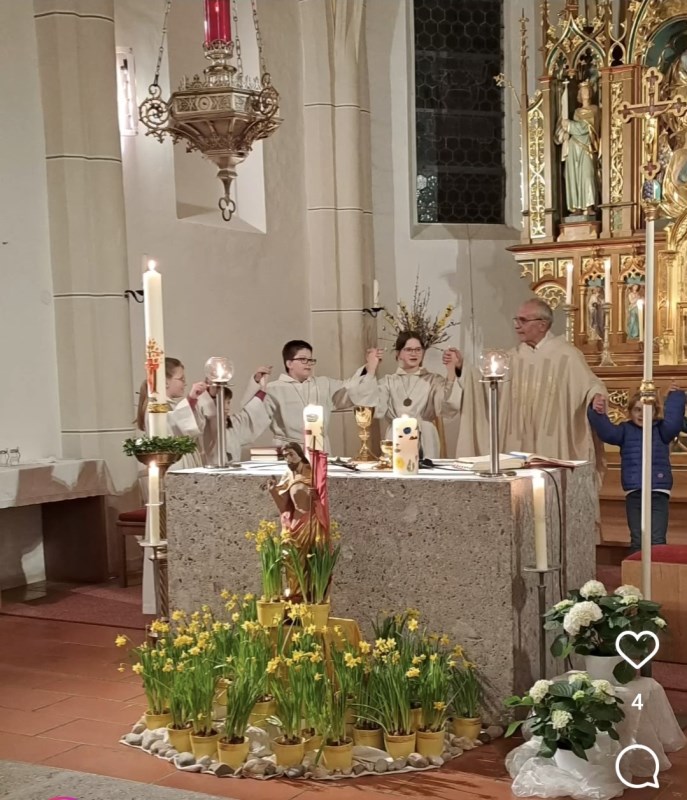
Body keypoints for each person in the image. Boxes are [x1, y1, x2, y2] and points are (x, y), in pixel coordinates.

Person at [457, 298, 608, 474]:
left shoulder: (567, 356)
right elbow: (485, 386)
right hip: (516, 439)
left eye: (523, 320)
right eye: (516, 320)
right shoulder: (512, 358)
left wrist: (596, 396)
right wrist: (463, 367)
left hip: (552, 440)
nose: (517, 325)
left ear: (542, 325)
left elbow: (590, 384)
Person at [587, 385, 686, 553]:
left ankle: (656, 575)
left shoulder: (662, 430)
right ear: (630, 412)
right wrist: (596, 410)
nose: (642, 415)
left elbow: (674, 422)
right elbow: (607, 432)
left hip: (657, 490)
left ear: (655, 412)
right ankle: (635, 576)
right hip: (635, 491)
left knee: (657, 538)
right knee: (637, 538)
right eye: (638, 410)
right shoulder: (625, 431)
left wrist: (676, 396)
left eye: (648, 410)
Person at [248, 340, 383, 451]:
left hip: (320, 447)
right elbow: (251, 414)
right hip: (289, 450)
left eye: (311, 360)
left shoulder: (323, 384)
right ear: (289, 363)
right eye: (303, 359)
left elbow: (351, 388)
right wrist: (256, 383)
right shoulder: (274, 389)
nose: (308, 364)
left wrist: (370, 367)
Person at [137, 357, 270, 466]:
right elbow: (171, 430)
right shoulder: (155, 407)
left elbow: (197, 425)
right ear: (165, 382)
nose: (185, 383)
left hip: (185, 461)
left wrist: (207, 395)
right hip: (173, 464)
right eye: (181, 379)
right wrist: (191, 399)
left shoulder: (171, 405)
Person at [375, 331, 462, 459]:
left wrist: (451, 371)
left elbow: (447, 407)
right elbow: (376, 409)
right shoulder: (388, 382)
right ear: (398, 353)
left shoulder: (433, 380)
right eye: (408, 349)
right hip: (397, 435)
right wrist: (371, 369)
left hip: (426, 437)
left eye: (418, 349)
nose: (414, 353)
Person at [263, 441, 328, 599]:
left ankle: (311, 597)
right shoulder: (288, 475)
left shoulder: (311, 472)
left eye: (291, 454)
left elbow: (322, 499)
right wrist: (273, 491)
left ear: (300, 454)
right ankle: (295, 595)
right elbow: (284, 506)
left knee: (312, 560)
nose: (288, 459)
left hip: (310, 522)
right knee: (291, 560)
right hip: (294, 524)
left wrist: (316, 497)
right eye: (285, 456)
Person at [555, 81, 600, 215]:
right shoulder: (576, 111)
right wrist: (566, 129)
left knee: (587, 175)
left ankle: (589, 206)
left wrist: (569, 125)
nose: (585, 93)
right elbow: (576, 128)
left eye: (587, 90)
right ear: (579, 95)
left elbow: (586, 127)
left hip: (587, 147)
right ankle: (576, 208)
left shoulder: (594, 109)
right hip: (574, 146)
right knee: (573, 176)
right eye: (582, 91)